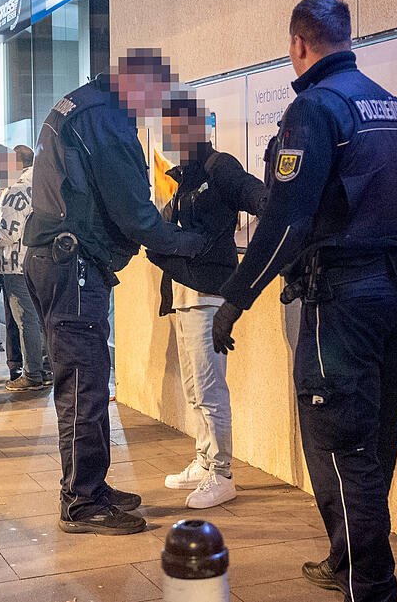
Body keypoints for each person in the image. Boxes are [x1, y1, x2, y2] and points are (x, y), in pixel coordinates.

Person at [210, 0, 397, 602]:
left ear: (298, 45)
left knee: (339, 442)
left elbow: (286, 221)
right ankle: (346, 558)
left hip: (343, 299)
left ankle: (372, 586)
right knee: (375, 435)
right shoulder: (390, 107)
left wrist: (235, 300)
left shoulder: (314, 108)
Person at [24, 48, 209, 535]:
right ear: (135, 84)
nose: (153, 108)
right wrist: (190, 242)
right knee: (84, 383)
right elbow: (132, 210)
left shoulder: (83, 105)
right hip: (73, 265)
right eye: (153, 96)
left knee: (89, 379)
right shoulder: (106, 119)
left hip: (63, 260)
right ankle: (82, 501)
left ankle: (93, 485)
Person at [146, 92, 267, 509]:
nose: (171, 137)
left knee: (210, 388)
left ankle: (221, 472)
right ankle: (204, 460)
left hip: (208, 297)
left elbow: (256, 195)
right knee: (195, 387)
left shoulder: (218, 167)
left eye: (177, 128)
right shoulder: (187, 178)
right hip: (184, 296)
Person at [0, 144, 50, 392]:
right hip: (39, 261)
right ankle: (45, 369)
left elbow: (7, 234)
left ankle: (32, 374)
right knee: (37, 319)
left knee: (25, 320)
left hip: (16, 264)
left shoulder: (15, 191)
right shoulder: (40, 184)